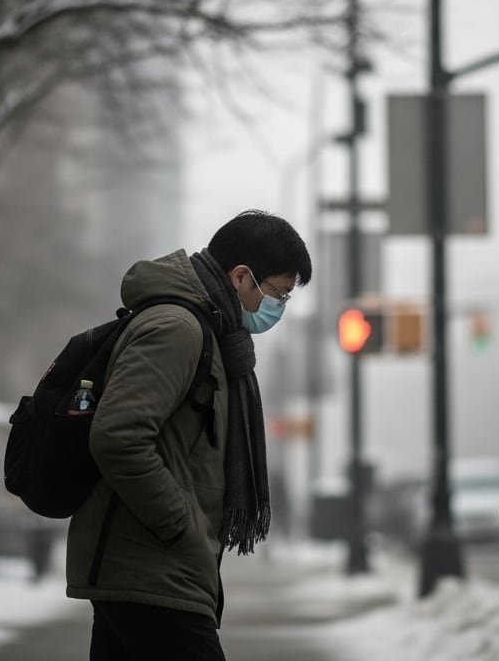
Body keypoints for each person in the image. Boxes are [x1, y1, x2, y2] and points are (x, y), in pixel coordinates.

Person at [64, 209, 313, 660]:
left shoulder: (209, 332)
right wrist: (182, 526)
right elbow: (118, 436)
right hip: (151, 565)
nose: (277, 307)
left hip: (146, 566)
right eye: (277, 293)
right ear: (241, 277)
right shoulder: (178, 329)